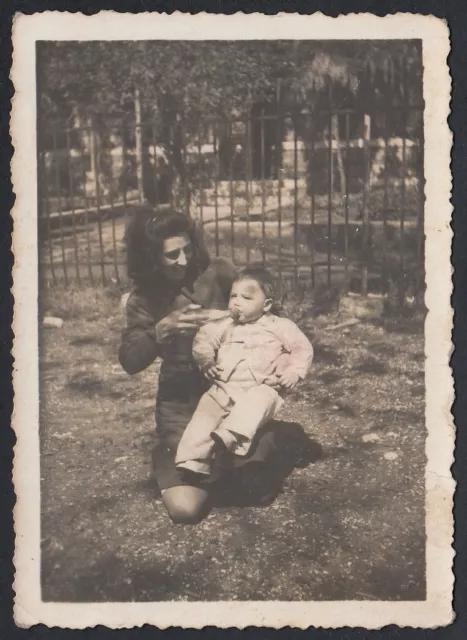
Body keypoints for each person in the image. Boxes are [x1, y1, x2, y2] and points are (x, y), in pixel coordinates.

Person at [118, 205, 289, 524]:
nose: (183, 260)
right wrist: (159, 332)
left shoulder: (218, 271)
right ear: (151, 257)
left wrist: (237, 319)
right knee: (185, 509)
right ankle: (177, 455)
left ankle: (242, 450)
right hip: (181, 403)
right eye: (171, 255)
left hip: (233, 391)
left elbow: (271, 312)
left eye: (187, 249)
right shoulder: (143, 298)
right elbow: (129, 360)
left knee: (258, 491)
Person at [175, 267, 314, 476]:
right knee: (204, 413)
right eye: (233, 296)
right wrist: (206, 361)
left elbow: (302, 347)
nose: (236, 302)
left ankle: (229, 437)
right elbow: (202, 341)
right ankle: (192, 461)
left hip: (260, 386)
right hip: (224, 388)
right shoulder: (225, 325)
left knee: (258, 402)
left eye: (246, 298)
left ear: (266, 305)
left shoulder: (279, 326)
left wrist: (294, 372)